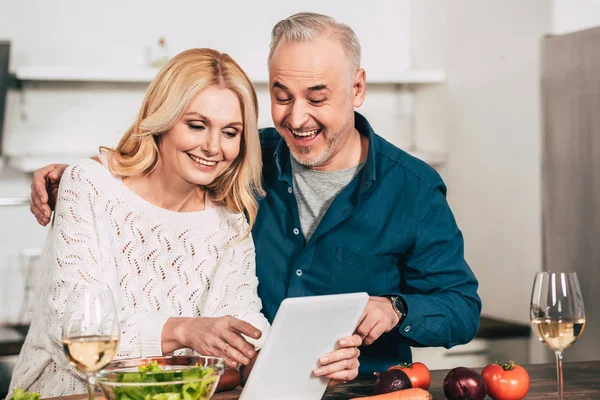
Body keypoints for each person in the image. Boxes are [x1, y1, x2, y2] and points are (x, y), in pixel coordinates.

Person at [30, 12, 481, 376]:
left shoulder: (413, 189)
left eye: (317, 98)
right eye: (282, 95)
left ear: (357, 88)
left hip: (364, 388)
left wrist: (396, 308)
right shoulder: (249, 157)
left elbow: (461, 307)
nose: (297, 117)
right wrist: (79, 177)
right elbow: (169, 161)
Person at [13, 48, 360, 398]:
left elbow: (245, 328)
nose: (212, 146)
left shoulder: (229, 220)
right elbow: (70, 332)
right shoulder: (88, 186)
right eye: (196, 125)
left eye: (230, 132)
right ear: (162, 120)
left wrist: (313, 363)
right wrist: (183, 331)